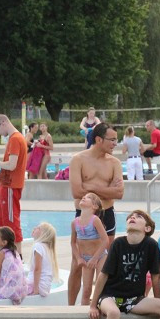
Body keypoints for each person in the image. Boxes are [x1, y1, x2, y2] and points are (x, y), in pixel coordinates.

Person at [67, 122, 124, 303]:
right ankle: (70, 307)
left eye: (117, 139)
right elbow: (76, 192)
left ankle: (97, 302)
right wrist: (106, 189)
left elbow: (119, 193)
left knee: (104, 263)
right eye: (112, 139)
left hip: (107, 214)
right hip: (83, 215)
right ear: (99, 139)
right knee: (78, 264)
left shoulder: (114, 163)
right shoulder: (78, 160)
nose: (116, 143)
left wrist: (89, 187)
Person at [0, 114, 28, 243]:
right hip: (8, 186)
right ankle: (11, 254)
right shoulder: (14, 138)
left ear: (3, 123)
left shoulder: (15, 139)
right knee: (5, 222)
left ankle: (17, 256)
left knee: (11, 223)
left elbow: (12, 165)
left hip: (10, 186)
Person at [71, 193, 108, 307]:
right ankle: (84, 314)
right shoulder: (75, 222)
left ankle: (100, 308)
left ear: (95, 206)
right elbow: (73, 243)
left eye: (89, 198)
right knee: (86, 290)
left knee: (100, 285)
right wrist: (78, 258)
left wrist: (95, 258)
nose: (84, 197)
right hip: (86, 259)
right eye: (84, 196)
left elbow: (105, 240)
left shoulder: (95, 220)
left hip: (100, 256)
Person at [0, 226, 28, 304]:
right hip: (22, 291)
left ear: (4, 242)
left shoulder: (1, 254)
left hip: (11, 292)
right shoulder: (15, 252)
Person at [28, 222, 59, 297]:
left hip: (37, 286)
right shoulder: (48, 248)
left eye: (38, 228)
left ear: (43, 234)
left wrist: (36, 290)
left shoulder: (38, 246)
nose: (34, 228)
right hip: (45, 287)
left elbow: (37, 269)